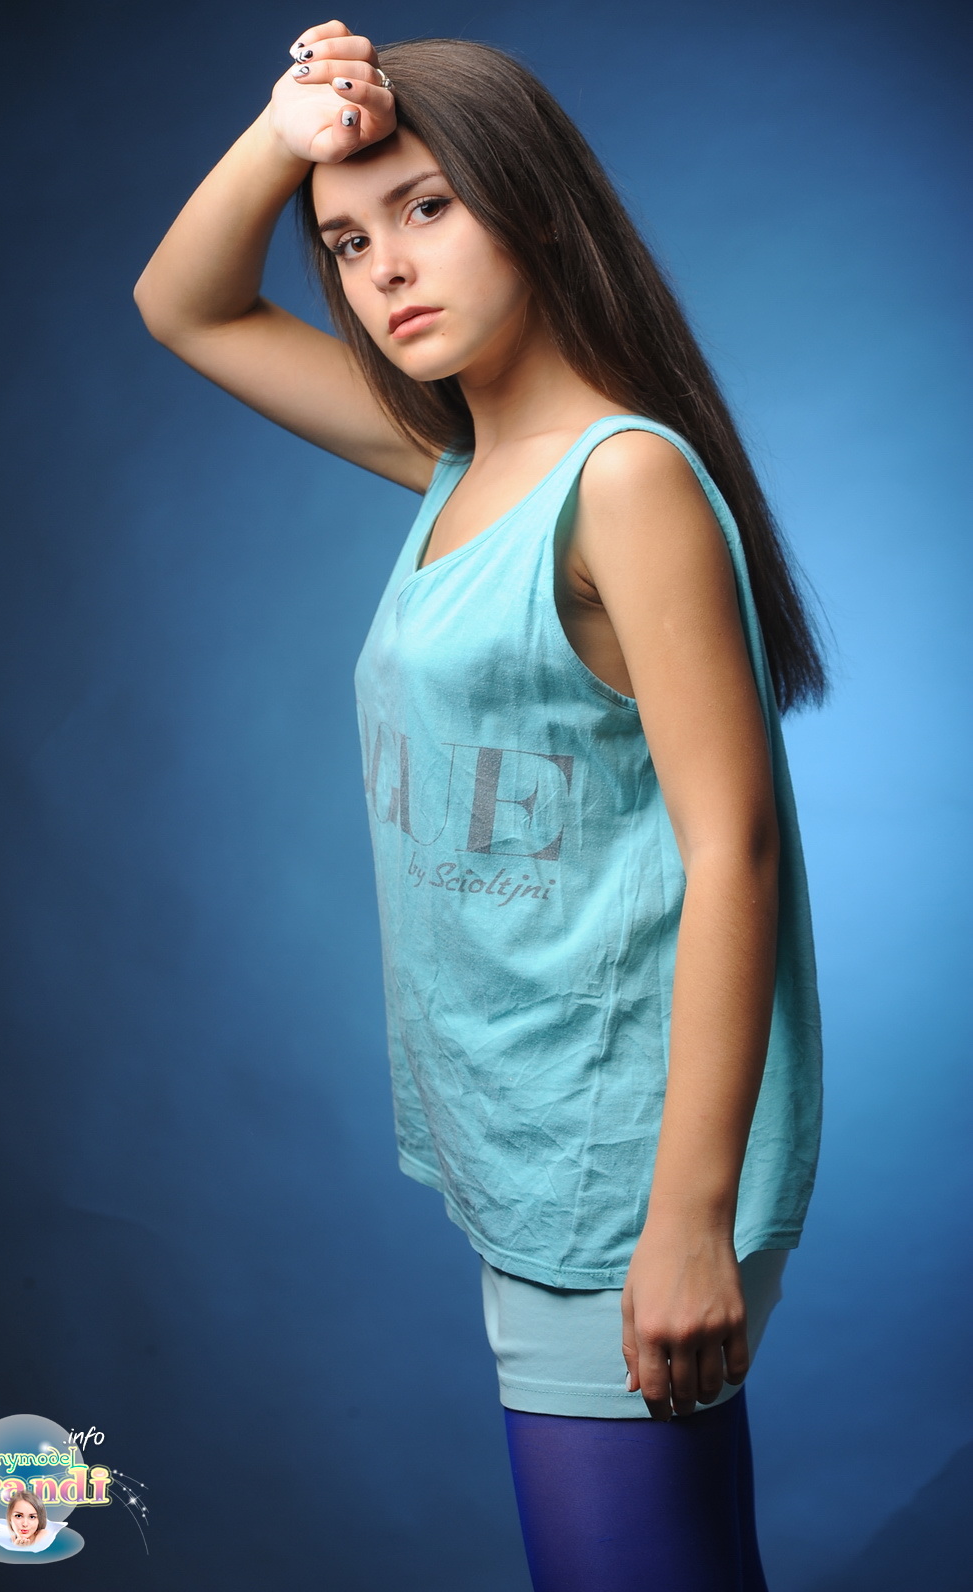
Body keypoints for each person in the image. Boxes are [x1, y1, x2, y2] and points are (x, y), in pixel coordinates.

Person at [133, 22, 826, 1590]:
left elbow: (734, 849)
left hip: (625, 1167)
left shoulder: (621, 480)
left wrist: (688, 1221)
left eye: (429, 208)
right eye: (346, 241)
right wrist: (287, 129)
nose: (385, 267)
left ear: (540, 209)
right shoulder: (462, 463)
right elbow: (184, 306)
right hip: (533, 1136)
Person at [0, 1489, 65, 1552]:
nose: (25, 1524)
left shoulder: (44, 1535)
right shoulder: (6, 1536)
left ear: (39, 1520)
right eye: (18, 1516)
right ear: (10, 1518)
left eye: (32, 1517)